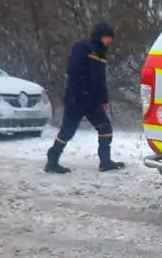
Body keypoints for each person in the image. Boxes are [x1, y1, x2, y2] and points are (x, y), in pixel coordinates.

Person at [45, 22, 125, 174]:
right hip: (77, 98)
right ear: (102, 36)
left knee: (105, 129)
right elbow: (74, 71)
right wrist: (82, 93)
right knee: (67, 131)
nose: (110, 41)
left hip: (93, 101)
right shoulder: (82, 47)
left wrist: (104, 99)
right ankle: (52, 160)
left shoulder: (102, 54)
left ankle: (105, 162)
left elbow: (100, 79)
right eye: (109, 37)